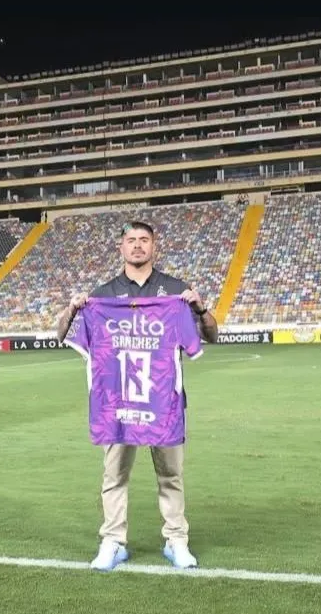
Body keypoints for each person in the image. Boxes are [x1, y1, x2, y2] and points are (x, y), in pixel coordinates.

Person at [56, 219, 218, 571]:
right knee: (114, 476)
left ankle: (176, 540)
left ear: (153, 246)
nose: (138, 246)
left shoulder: (175, 291)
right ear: (122, 247)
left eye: (144, 240)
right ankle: (113, 541)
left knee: (171, 475)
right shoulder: (103, 295)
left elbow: (212, 336)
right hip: (118, 404)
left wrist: (200, 307)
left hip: (164, 404)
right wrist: (73, 307)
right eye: (131, 240)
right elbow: (60, 333)